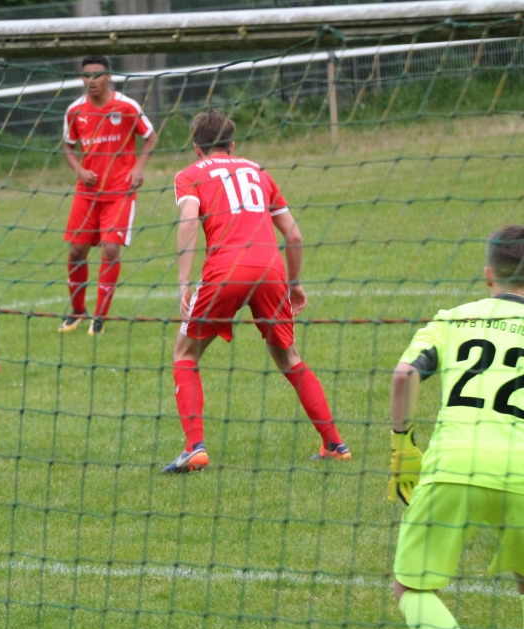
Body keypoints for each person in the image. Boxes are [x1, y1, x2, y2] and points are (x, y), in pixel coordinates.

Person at [162, 110, 349, 473]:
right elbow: (294, 235)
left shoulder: (189, 175)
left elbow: (188, 221)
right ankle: (335, 444)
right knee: (289, 357)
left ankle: (194, 448)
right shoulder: (258, 171)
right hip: (270, 269)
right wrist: (294, 283)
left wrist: (183, 282)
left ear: (197, 149)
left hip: (225, 270)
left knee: (185, 353)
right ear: (232, 145)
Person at [389, 224, 524, 629]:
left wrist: (403, 448)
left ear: (488, 275)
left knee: (410, 586)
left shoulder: (454, 318)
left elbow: (405, 375)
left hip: (453, 466)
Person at [60, 55, 158, 335]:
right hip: (87, 194)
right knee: (76, 251)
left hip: (119, 192)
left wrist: (137, 168)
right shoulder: (74, 111)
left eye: (96, 75)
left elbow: (150, 137)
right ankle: (77, 311)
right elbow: (68, 147)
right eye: (86, 75)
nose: (91, 81)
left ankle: (100, 317)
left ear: (109, 77)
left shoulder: (126, 106)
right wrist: (80, 170)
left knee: (111, 249)